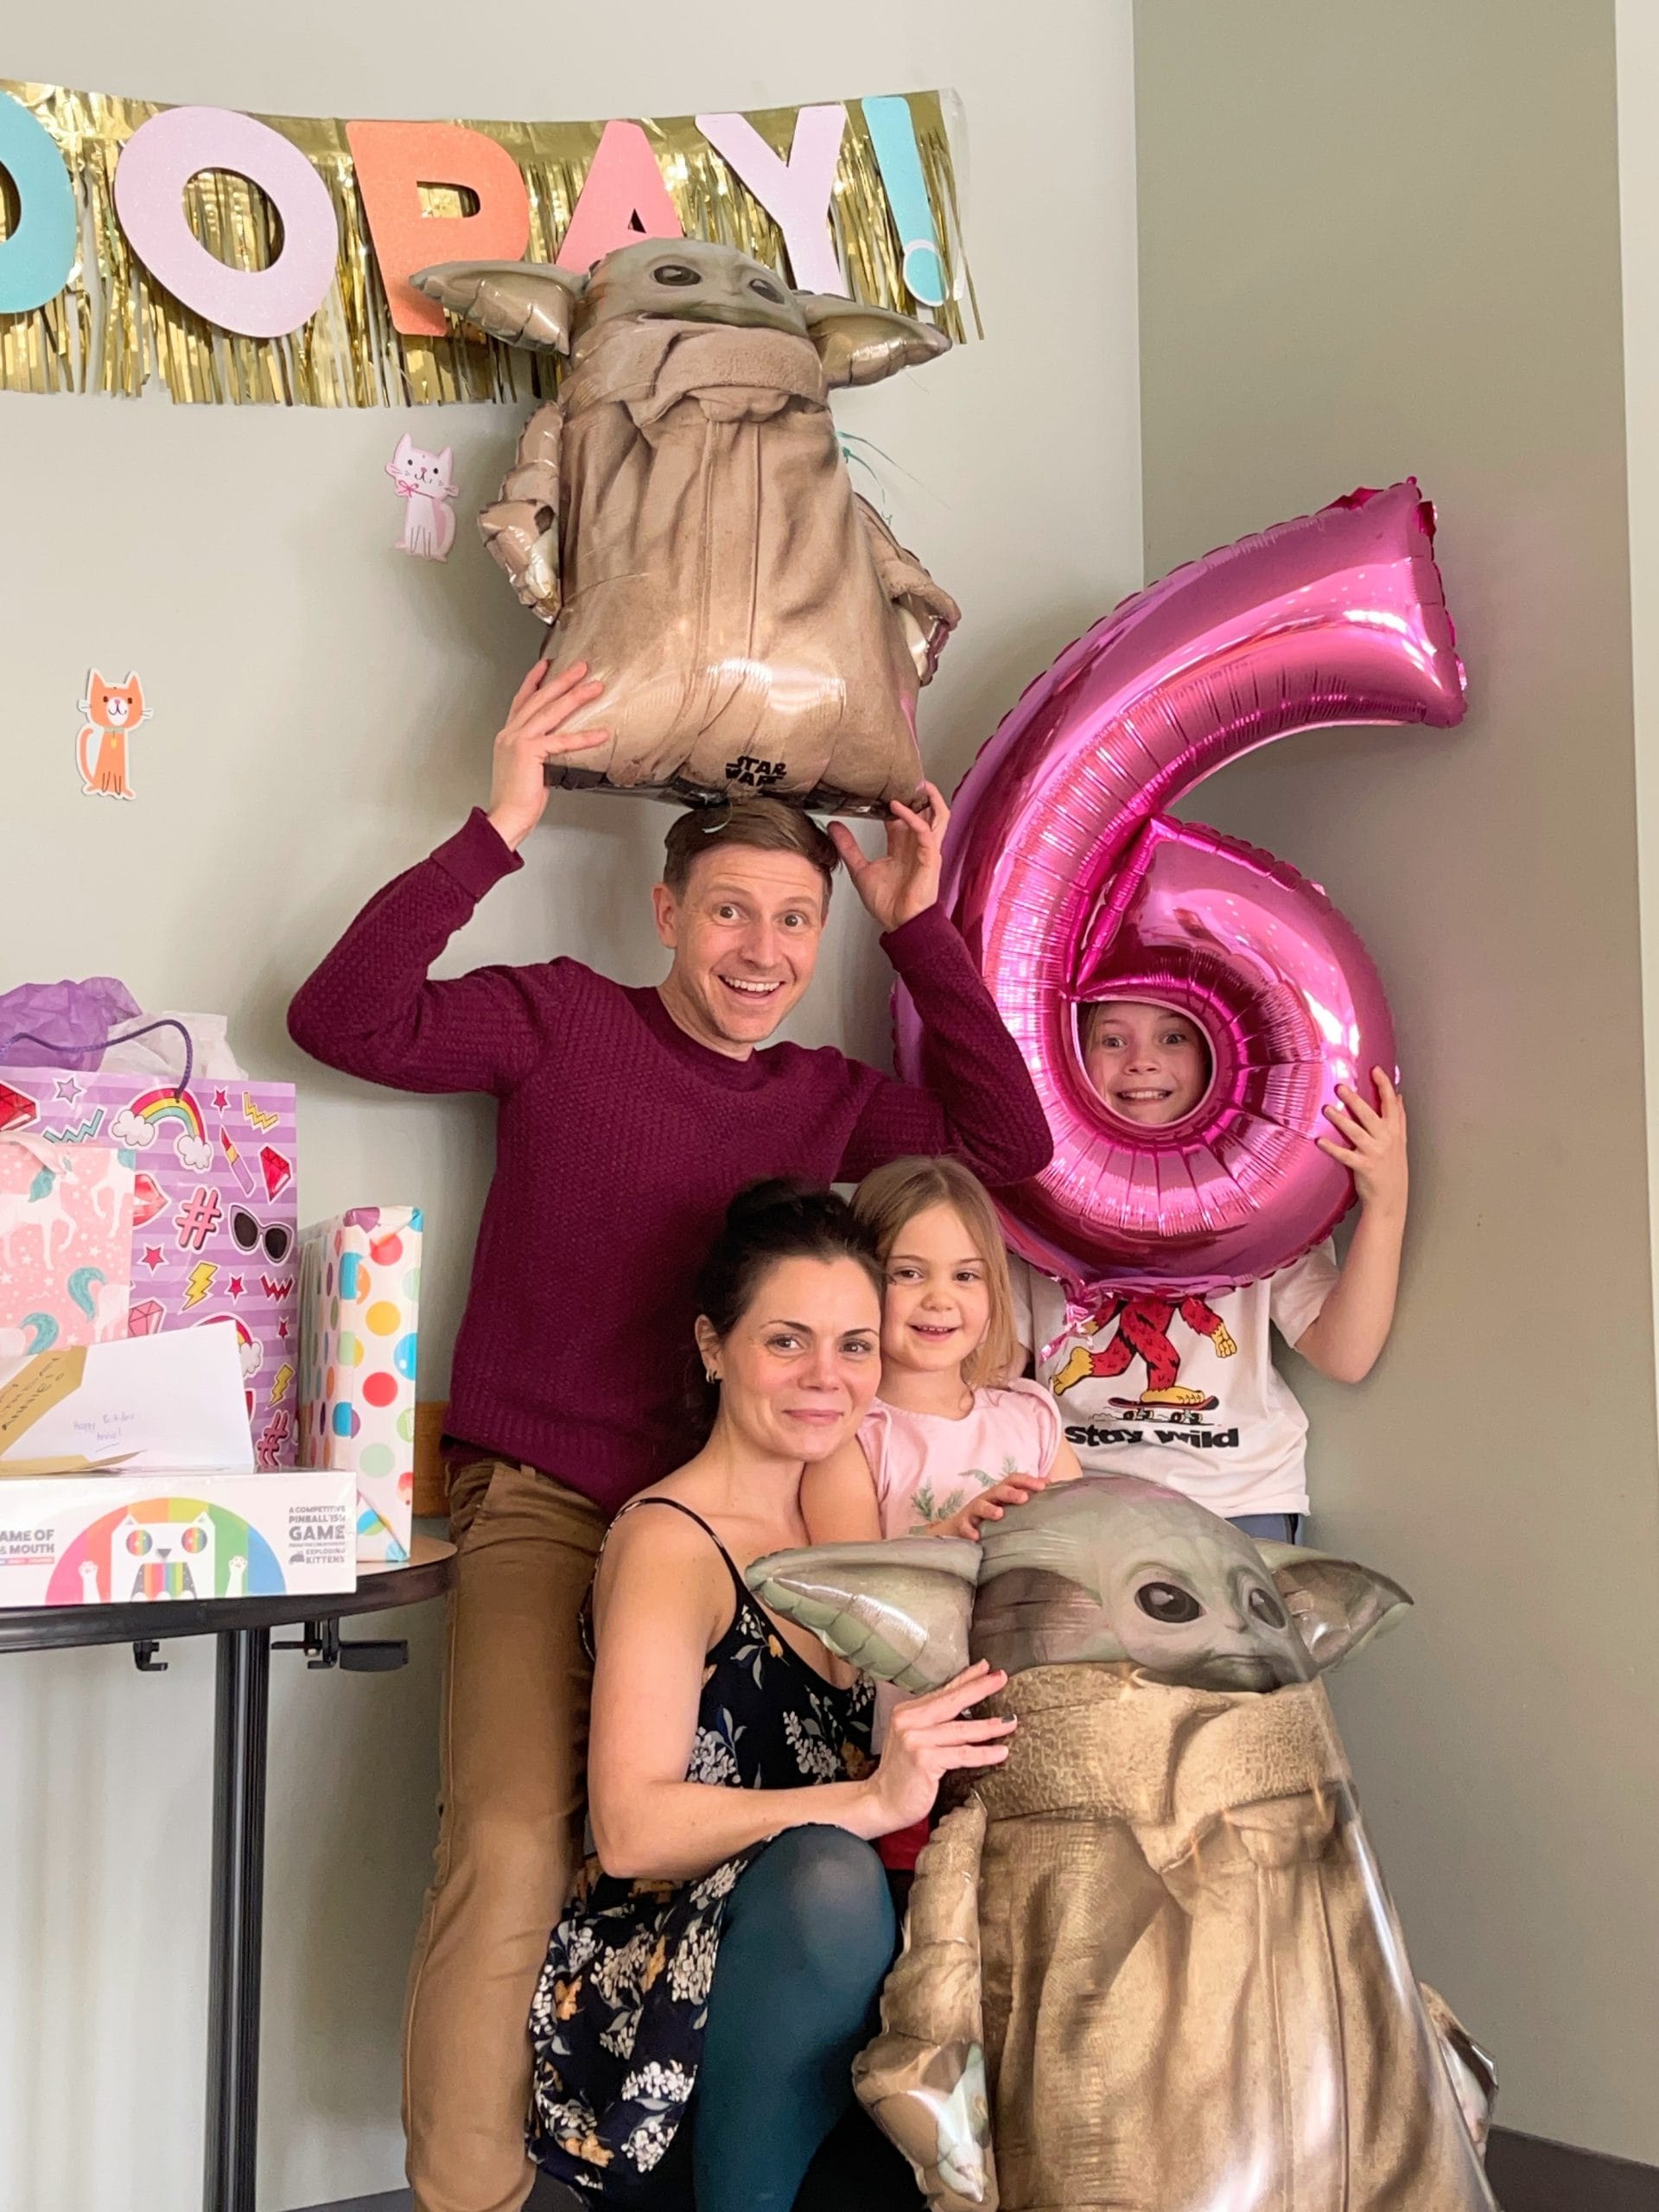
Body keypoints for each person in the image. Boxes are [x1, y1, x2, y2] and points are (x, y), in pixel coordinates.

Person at [285, 660, 1052, 2212]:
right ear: (665, 911)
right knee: (512, 1840)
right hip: (552, 1499)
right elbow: (340, 1018)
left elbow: (1011, 1149)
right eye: (730, 913)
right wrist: (496, 826)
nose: (762, 950)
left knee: (829, 1833)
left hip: (756, 1522)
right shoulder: (560, 1019)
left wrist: (919, 930)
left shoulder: (831, 1101)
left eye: (794, 922)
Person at [527, 1181, 1014, 2209]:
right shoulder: (670, 1539)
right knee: (833, 1877)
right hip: (669, 1984)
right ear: (714, 1346)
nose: (827, 1379)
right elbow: (631, 1830)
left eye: (854, 1345)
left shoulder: (838, 1507)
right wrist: (875, 1799)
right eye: (787, 1342)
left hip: (830, 1978)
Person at [1012, 997, 1408, 1544]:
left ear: (1214, 1057)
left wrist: (1387, 1203)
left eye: (1173, 1038)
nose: (1141, 1061)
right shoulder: (1040, 1202)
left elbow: (1345, 1355)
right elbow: (995, 1374)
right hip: (1079, 1494)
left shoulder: (1261, 1195)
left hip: (1234, 1497)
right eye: (1111, 1040)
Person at [799, 1154, 1083, 1873]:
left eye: (966, 1274)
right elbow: (847, 1616)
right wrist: (946, 1538)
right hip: (912, 1758)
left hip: (1043, 1737)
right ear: (863, 1280)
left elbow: (1088, 1543)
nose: (940, 1299)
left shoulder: (1030, 1415)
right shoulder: (852, 1437)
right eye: (908, 1272)